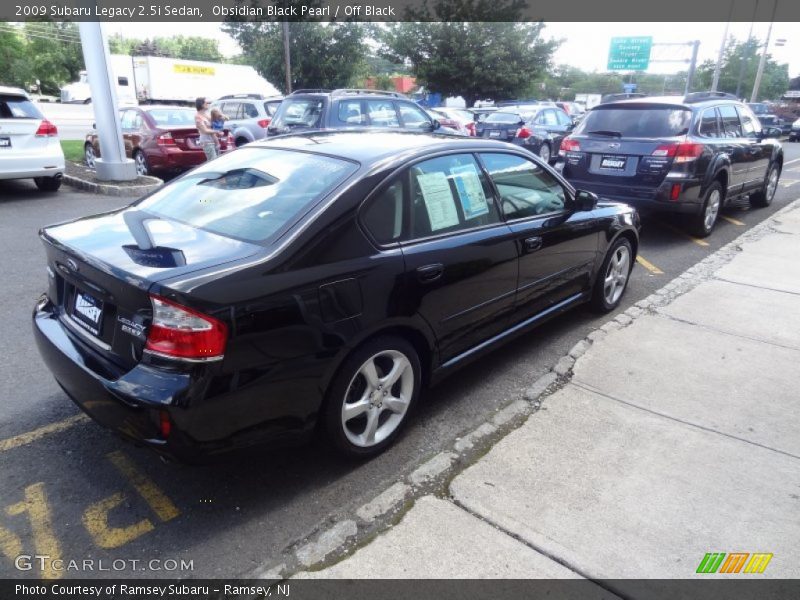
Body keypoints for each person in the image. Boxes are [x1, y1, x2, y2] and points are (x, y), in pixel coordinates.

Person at [195, 97, 221, 161]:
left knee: (218, 160)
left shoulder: (206, 115)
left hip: (213, 140)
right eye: (206, 103)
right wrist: (217, 131)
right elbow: (205, 130)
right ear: (202, 105)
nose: (208, 104)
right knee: (213, 161)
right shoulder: (198, 117)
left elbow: (215, 123)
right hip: (207, 142)